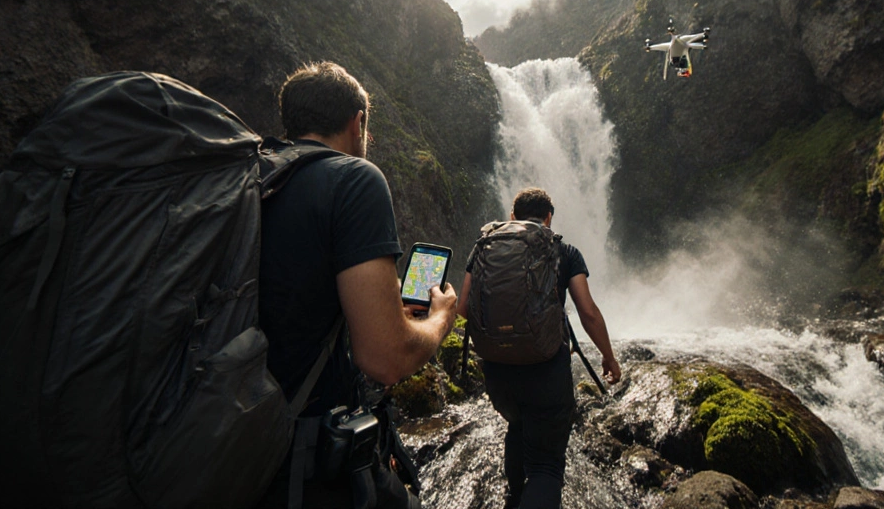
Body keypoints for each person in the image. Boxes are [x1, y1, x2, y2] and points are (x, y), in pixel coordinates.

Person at [258, 61, 457, 508]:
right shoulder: (354, 179)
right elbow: (385, 360)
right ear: (357, 122)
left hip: (233, 443)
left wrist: (380, 312)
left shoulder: (256, 178)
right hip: (308, 462)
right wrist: (440, 321)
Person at [458, 187, 621, 509]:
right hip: (546, 368)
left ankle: (514, 497)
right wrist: (608, 356)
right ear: (548, 218)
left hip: (497, 368)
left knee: (518, 426)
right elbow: (587, 311)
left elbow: (463, 308)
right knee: (546, 465)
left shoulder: (482, 249)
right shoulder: (564, 251)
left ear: (512, 216)